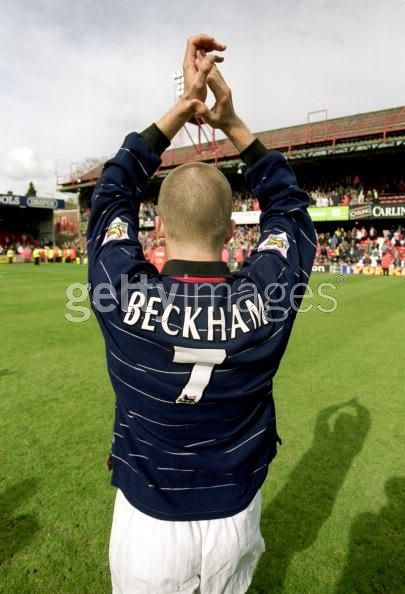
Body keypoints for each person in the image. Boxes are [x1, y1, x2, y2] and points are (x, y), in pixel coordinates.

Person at [87, 35, 316, 594]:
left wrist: (181, 109)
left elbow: (111, 194)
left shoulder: (120, 292)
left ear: (158, 230)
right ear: (235, 232)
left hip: (148, 526)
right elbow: (290, 210)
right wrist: (232, 123)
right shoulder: (267, 297)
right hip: (234, 518)